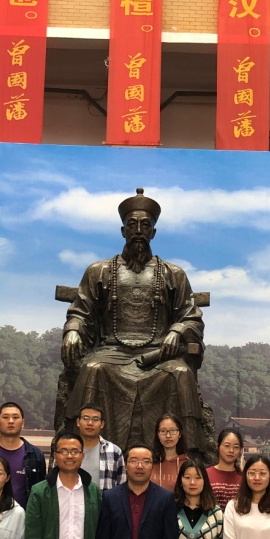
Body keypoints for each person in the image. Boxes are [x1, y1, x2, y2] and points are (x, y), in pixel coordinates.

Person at [57, 188, 209, 455]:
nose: (138, 231)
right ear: (122, 231)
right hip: (112, 352)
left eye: (145, 225)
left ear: (153, 232)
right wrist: (73, 331)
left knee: (182, 373)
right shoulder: (99, 271)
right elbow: (81, 311)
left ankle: (189, 457)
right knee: (92, 367)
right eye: (132, 225)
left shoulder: (173, 274)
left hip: (158, 355)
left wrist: (177, 331)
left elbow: (191, 316)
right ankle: (81, 450)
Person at [0, 402, 47, 508]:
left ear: (23, 423)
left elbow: (42, 492)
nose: (11, 421)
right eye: (5, 417)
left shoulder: (35, 455)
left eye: (15, 417)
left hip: (26, 515)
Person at [77, 400, 125, 492]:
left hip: (104, 501)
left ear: (102, 424)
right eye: (86, 418)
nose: (90, 423)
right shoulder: (66, 450)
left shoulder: (114, 451)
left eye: (95, 419)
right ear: (78, 422)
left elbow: (122, 486)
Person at [206, 427, 243, 510]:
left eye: (236, 447)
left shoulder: (245, 477)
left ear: (240, 450)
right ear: (218, 446)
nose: (231, 450)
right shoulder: (206, 474)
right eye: (227, 446)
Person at [150, 413, 189, 492]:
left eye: (172, 430)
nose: (168, 435)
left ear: (180, 434)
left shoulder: (187, 463)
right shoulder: (149, 462)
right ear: (157, 434)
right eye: (163, 431)